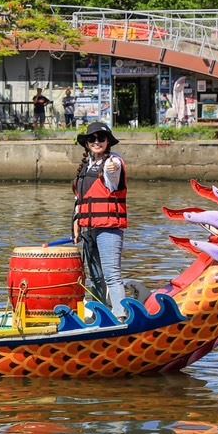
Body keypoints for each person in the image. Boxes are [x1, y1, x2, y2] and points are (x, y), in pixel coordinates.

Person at [72, 121, 128, 317]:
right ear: (87, 143)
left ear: (108, 142)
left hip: (108, 228)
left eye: (101, 138)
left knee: (111, 274)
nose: (97, 142)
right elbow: (79, 200)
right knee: (95, 276)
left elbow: (113, 173)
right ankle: (100, 313)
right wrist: (76, 225)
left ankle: (120, 314)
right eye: (92, 139)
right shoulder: (85, 168)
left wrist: (112, 168)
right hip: (88, 228)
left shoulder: (113, 162)